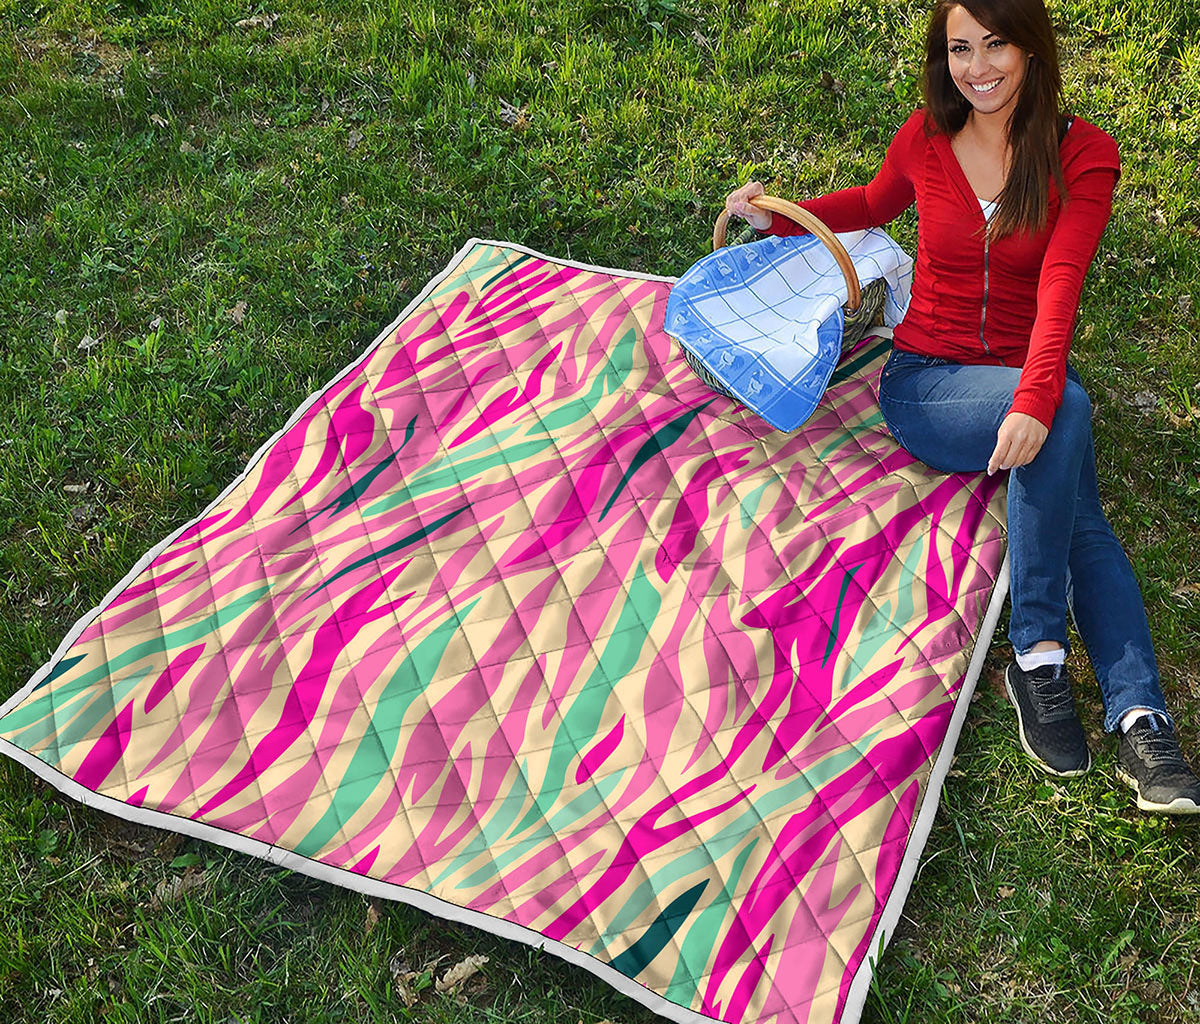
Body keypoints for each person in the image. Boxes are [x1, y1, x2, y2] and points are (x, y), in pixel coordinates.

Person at [724, 0, 1200, 814]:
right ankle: (1047, 656)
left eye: (996, 45)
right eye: (959, 49)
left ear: (1031, 48)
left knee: (1074, 475)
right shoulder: (926, 137)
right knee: (1070, 421)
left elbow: (1061, 284)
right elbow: (872, 205)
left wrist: (1037, 396)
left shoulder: (1083, 156)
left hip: (1019, 375)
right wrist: (779, 221)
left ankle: (1133, 713)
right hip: (926, 384)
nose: (977, 67)